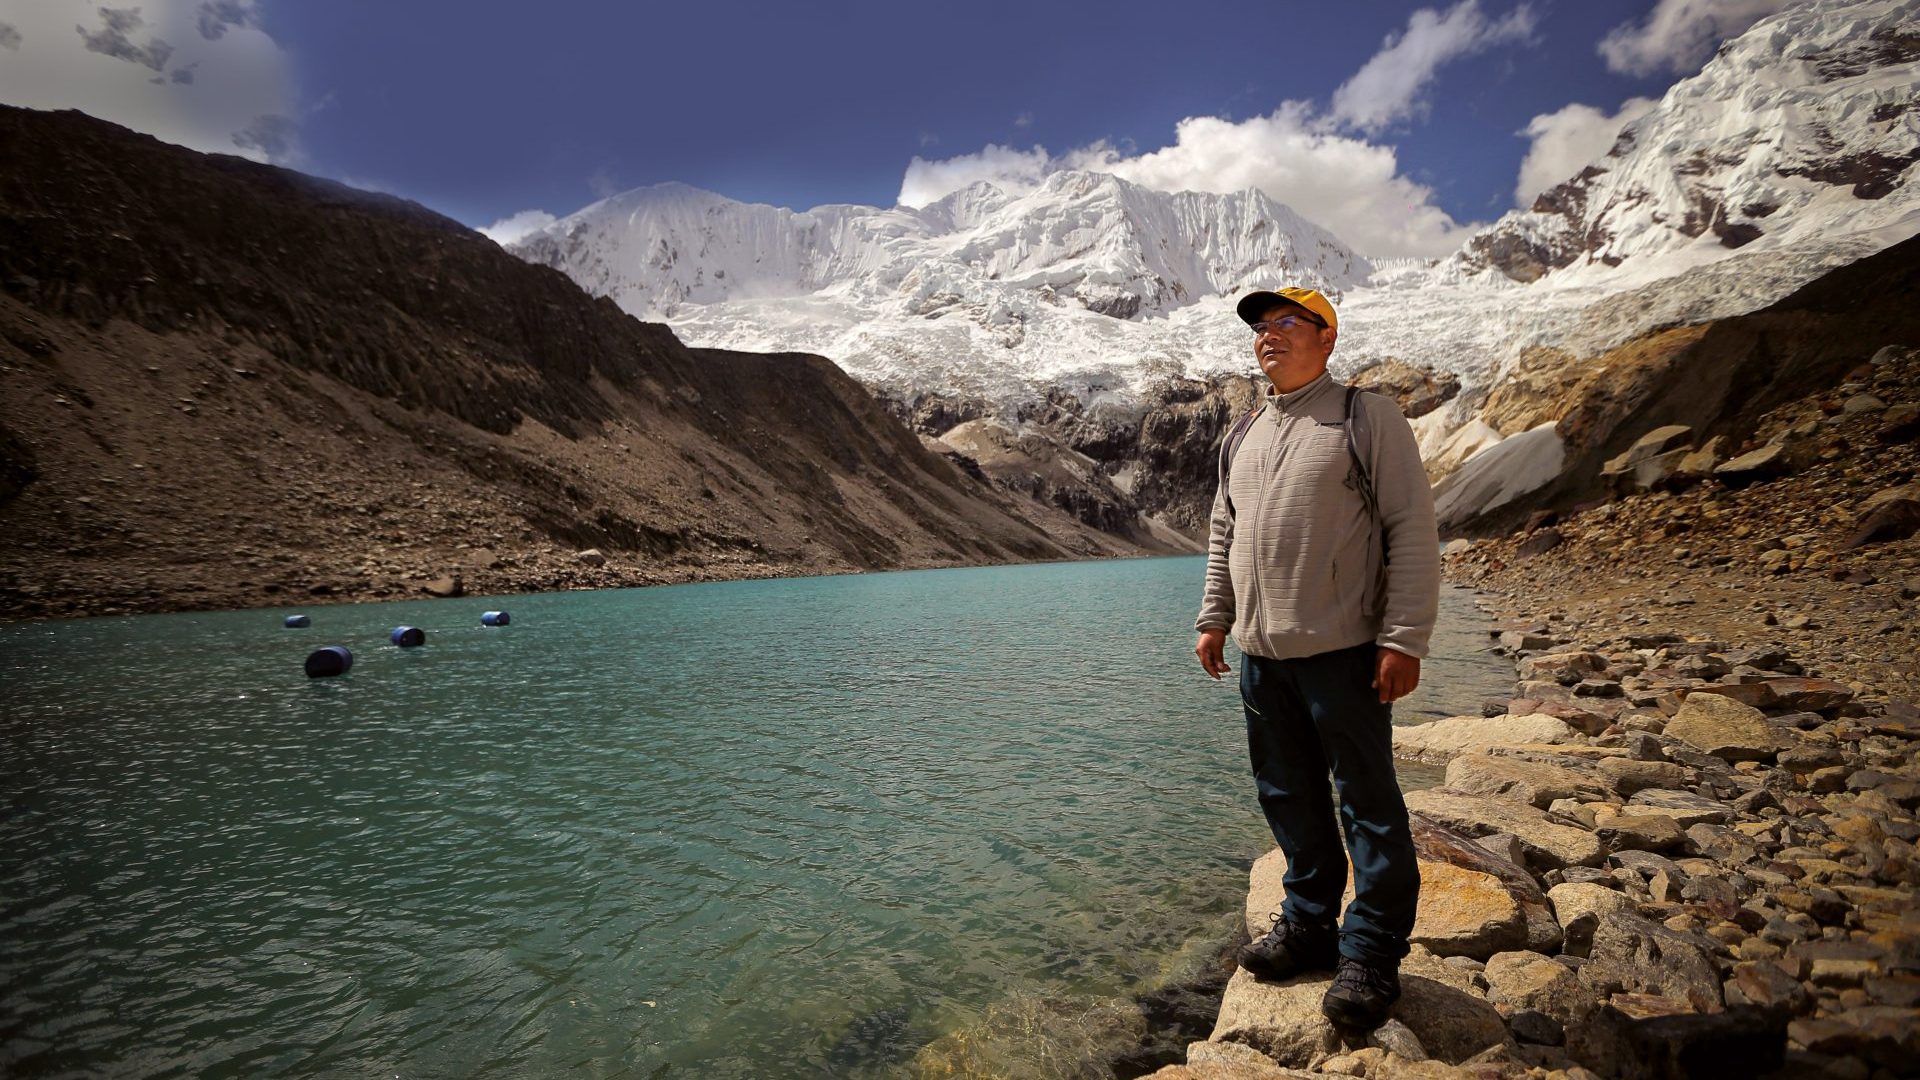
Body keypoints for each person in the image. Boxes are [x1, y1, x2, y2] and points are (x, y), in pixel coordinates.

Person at [1192, 286, 1439, 1030]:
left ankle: (1371, 951)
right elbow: (1222, 532)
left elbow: (1410, 527)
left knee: (1366, 801)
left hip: (1344, 651)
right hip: (1262, 656)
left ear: (1327, 338)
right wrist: (1214, 616)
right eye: (1261, 328)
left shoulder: (1365, 416)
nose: (1269, 336)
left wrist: (1404, 638)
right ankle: (1307, 923)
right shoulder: (1244, 434)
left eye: (1286, 324)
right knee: (1286, 794)